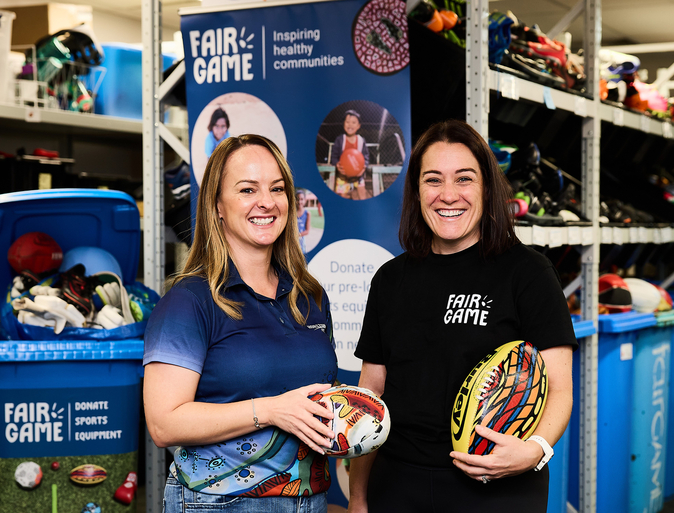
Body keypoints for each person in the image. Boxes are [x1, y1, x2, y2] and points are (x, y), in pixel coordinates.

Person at [347, 119, 577, 513]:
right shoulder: (390, 279)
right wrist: (358, 497)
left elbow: (559, 388)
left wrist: (534, 450)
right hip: (399, 483)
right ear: (416, 190)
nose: (448, 195)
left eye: (464, 179)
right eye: (433, 180)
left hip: (498, 486)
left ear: (487, 188)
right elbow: (373, 397)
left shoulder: (529, 273)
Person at [143, 134, 338, 513]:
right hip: (219, 503)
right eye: (248, 189)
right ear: (217, 205)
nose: (266, 202)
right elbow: (164, 424)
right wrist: (271, 410)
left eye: (277, 189)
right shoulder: (189, 300)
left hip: (309, 501)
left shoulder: (310, 297)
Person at [330, 109, 370, 200]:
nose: (350, 125)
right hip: (343, 175)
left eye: (353, 122)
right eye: (347, 122)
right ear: (343, 124)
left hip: (358, 175)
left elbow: (366, 156)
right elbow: (334, 156)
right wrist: (337, 164)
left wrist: (364, 167)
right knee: (342, 196)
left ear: (358, 126)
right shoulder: (340, 140)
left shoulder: (361, 140)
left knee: (362, 194)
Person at [296, 189, 311, 254]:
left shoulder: (307, 213)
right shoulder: (291, 213)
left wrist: (297, 235)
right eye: (297, 199)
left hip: (301, 241)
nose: (299, 201)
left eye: (302, 199)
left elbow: (307, 231)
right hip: (292, 240)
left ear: (305, 200)